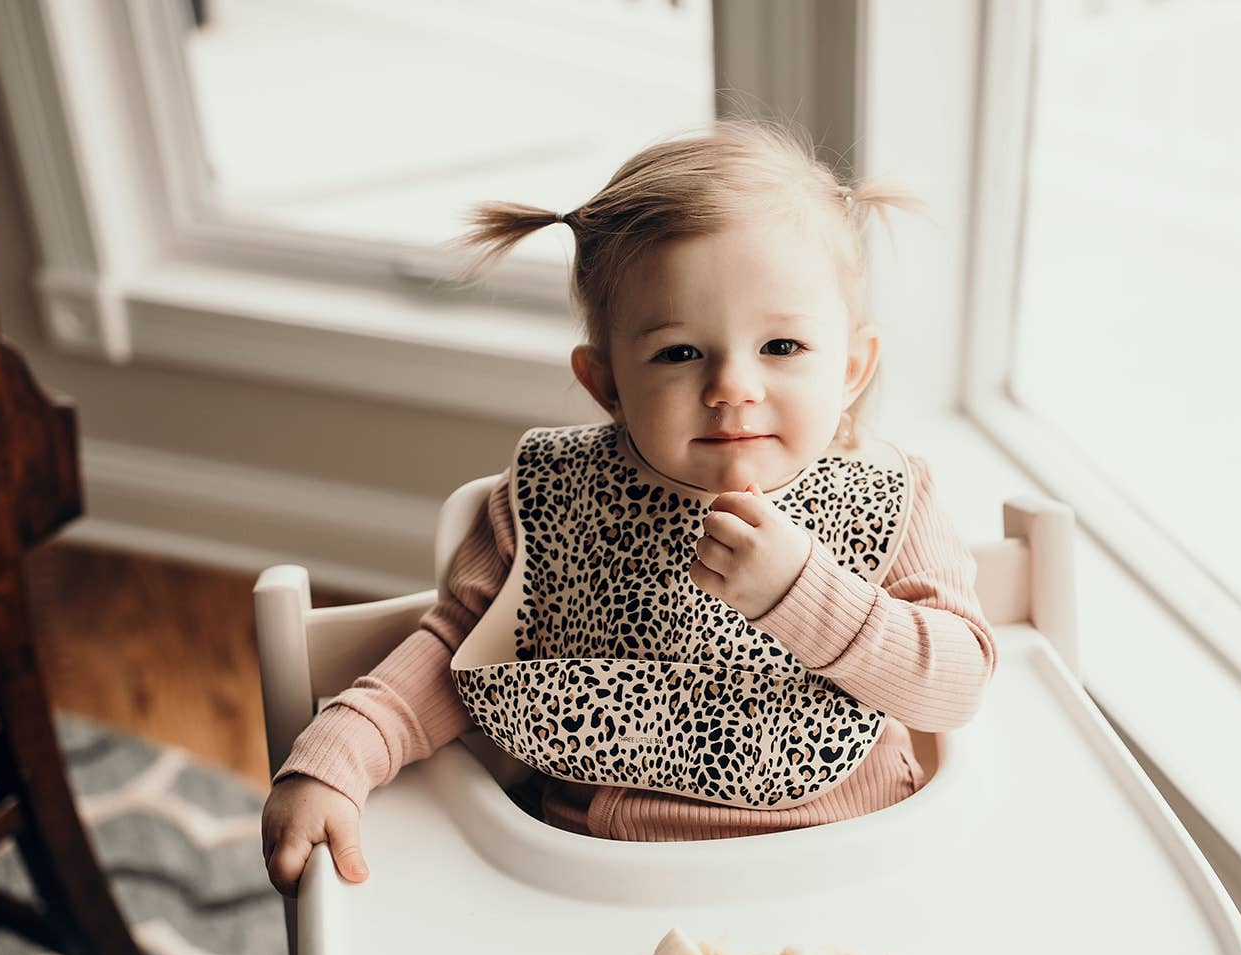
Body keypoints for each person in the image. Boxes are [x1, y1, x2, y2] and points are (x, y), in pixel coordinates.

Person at [261, 119, 998, 898]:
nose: (732, 386)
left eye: (781, 347)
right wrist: (343, 749)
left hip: (849, 871)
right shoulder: (552, 497)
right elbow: (453, 653)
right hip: (595, 882)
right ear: (606, 382)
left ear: (851, 367)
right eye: (680, 352)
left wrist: (805, 594)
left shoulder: (889, 498)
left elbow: (956, 685)